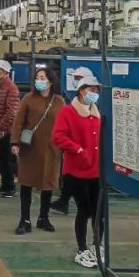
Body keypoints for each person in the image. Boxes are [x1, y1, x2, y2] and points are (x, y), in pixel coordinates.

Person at [52, 76, 103, 268]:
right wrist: (78, 150)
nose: (95, 93)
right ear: (81, 90)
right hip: (76, 171)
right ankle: (82, 250)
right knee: (84, 210)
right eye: (92, 89)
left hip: (96, 171)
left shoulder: (96, 113)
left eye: (96, 90)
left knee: (99, 212)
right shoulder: (68, 112)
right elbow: (58, 136)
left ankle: (97, 246)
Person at [11, 68, 63, 235]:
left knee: (47, 183)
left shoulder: (59, 101)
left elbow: (64, 124)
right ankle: (24, 220)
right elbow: (18, 121)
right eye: (37, 77)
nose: (39, 80)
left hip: (52, 150)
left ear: (51, 81)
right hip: (30, 148)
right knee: (26, 182)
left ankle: (43, 218)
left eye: (43, 77)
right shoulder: (28, 98)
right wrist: (15, 142)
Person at [51, 66, 93, 215]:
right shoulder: (72, 102)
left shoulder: (92, 105)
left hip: (86, 150)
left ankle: (65, 202)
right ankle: (63, 202)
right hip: (75, 149)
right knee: (70, 177)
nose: (74, 81)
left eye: (77, 79)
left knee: (77, 179)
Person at [0, 60, 20, 198]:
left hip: (7, 132)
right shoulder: (1, 87)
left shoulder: (11, 88)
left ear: (5, 72)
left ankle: (10, 187)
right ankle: (5, 184)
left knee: (7, 160)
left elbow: (12, 111)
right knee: (1, 159)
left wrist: (1, 127)